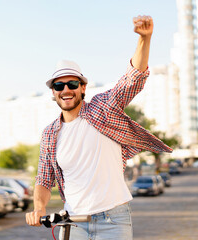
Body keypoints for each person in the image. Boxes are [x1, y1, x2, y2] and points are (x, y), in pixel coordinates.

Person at [26, 15, 172, 239]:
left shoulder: (102, 108)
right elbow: (44, 179)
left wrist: (145, 39)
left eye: (72, 83)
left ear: (83, 88)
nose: (66, 89)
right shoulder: (50, 134)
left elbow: (132, 80)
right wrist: (39, 208)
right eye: (59, 85)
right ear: (54, 92)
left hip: (113, 219)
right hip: (74, 222)